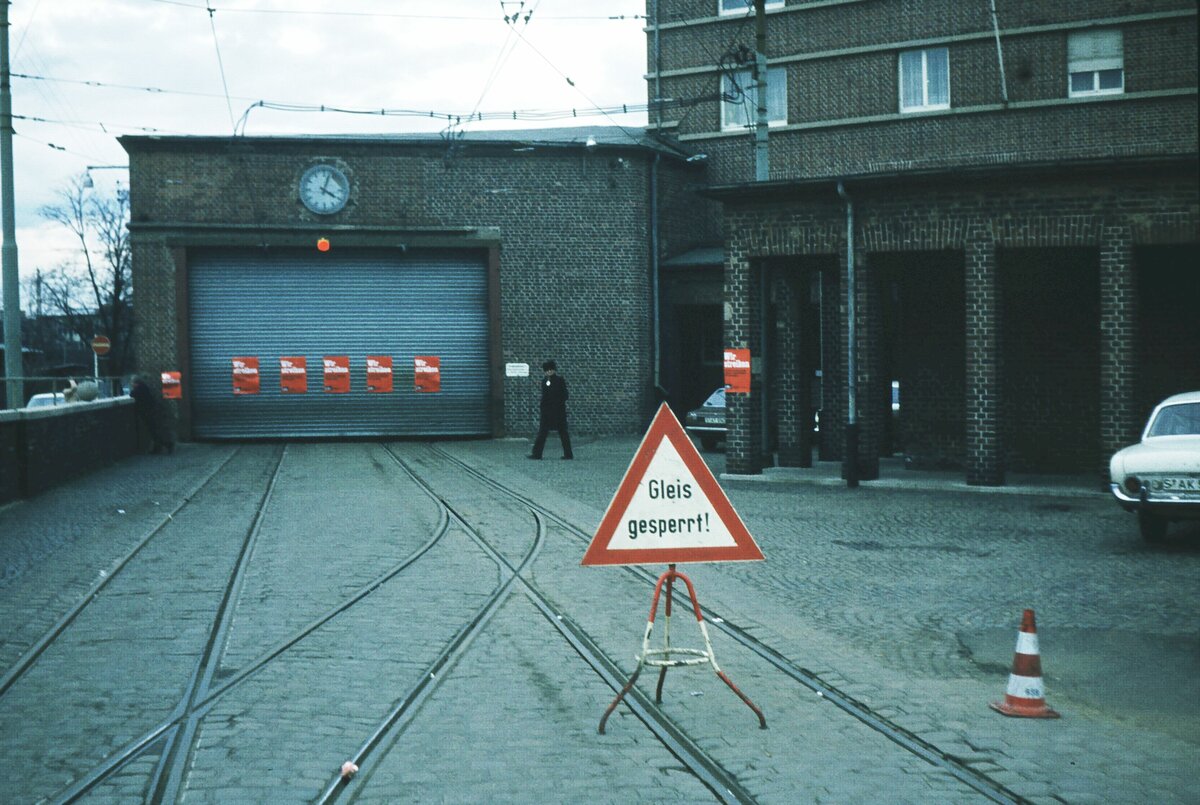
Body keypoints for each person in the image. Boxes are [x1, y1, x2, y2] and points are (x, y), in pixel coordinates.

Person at [529, 359, 572, 460]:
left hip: (558, 411)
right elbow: (545, 396)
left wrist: (557, 402)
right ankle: (537, 454)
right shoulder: (544, 381)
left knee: (562, 433)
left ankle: (568, 454)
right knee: (543, 433)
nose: (549, 372)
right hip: (548, 411)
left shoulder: (560, 380)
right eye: (547, 370)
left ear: (554, 370)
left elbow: (565, 394)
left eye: (550, 370)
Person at [131, 375, 173, 454]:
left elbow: (132, 394)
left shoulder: (139, 390)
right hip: (151, 411)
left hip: (147, 413)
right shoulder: (144, 388)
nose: (132, 385)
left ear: (136, 383)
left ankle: (166, 444)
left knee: (153, 431)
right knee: (154, 430)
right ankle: (160, 446)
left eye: (133, 383)